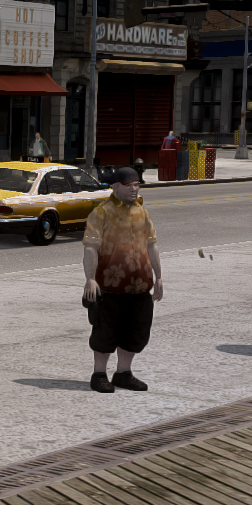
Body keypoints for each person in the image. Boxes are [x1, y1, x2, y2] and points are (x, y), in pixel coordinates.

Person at [82, 165, 162, 393]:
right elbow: (90, 247)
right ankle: (99, 374)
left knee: (136, 332)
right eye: (129, 185)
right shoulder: (102, 212)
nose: (134, 189)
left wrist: (158, 277)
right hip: (109, 288)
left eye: (136, 185)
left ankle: (123, 373)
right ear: (115, 186)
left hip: (140, 287)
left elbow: (152, 245)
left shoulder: (141, 212)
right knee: (105, 333)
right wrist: (90, 279)